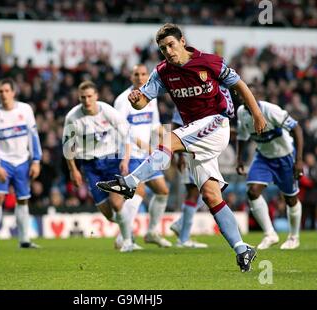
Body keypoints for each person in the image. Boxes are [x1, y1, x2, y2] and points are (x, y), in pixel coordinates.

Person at [97, 23, 267, 272]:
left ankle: (130, 183)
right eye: (163, 48)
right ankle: (242, 249)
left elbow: (239, 85)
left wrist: (257, 114)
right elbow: (143, 101)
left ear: (182, 41)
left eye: (171, 45)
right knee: (210, 196)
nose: (168, 51)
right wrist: (136, 100)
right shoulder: (163, 72)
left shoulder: (209, 62)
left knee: (167, 140)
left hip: (216, 124)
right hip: (196, 135)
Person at [62, 80, 137, 252]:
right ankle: (127, 229)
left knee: (117, 204)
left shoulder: (107, 111)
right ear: (79, 98)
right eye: (83, 97)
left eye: (89, 96)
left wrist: (125, 160)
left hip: (111, 161)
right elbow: (68, 148)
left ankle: (127, 241)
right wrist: (73, 171)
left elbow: (126, 134)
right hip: (90, 166)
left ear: (96, 96)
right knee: (109, 215)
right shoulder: (72, 118)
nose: (86, 100)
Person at [113, 63, 172, 248]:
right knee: (139, 191)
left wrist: (174, 139)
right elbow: (123, 131)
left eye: (143, 74)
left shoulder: (150, 98)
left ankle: (152, 232)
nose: (140, 77)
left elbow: (155, 125)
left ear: (148, 76)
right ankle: (123, 236)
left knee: (162, 191)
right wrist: (146, 147)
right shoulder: (123, 100)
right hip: (130, 154)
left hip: (148, 153)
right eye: (136, 74)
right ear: (131, 77)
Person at [236, 92, 304, 250]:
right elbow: (242, 135)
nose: (243, 97)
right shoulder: (241, 112)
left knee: (290, 199)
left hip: (285, 156)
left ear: (255, 96)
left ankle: (294, 237)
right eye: (241, 94)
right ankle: (270, 234)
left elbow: (297, 129)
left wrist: (299, 160)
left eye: (246, 93)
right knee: (252, 192)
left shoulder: (271, 110)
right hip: (264, 157)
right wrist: (239, 159)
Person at [0, 78, 42, 250]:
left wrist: (36, 161)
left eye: (7, 91)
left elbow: (33, 136)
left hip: (22, 161)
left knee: (23, 200)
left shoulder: (25, 110)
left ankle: (24, 240)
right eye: (1, 91)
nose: (4, 94)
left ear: (13, 92)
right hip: (3, 162)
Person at [169, 108, 208, 248]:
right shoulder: (183, 101)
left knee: (205, 192)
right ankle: (183, 239)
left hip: (200, 152)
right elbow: (175, 128)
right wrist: (178, 155)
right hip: (189, 153)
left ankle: (181, 225)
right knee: (194, 192)